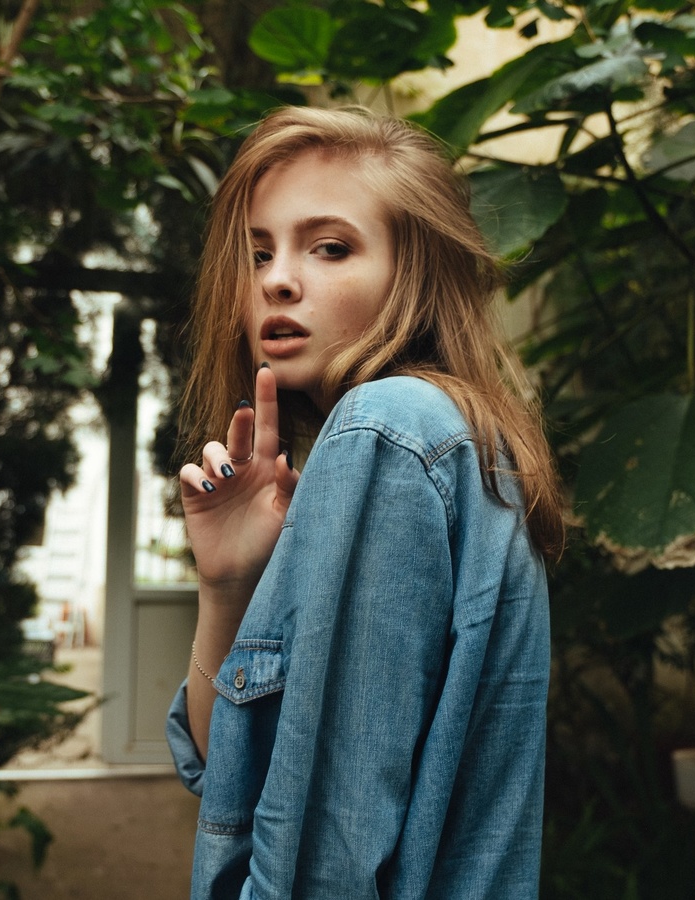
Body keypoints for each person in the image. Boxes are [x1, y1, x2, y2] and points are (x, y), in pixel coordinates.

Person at [165, 105, 566, 900]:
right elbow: (228, 772)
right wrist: (227, 586)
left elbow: (327, 856)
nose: (276, 278)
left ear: (412, 274)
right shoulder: (443, 439)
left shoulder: (386, 430)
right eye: (258, 252)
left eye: (330, 247)